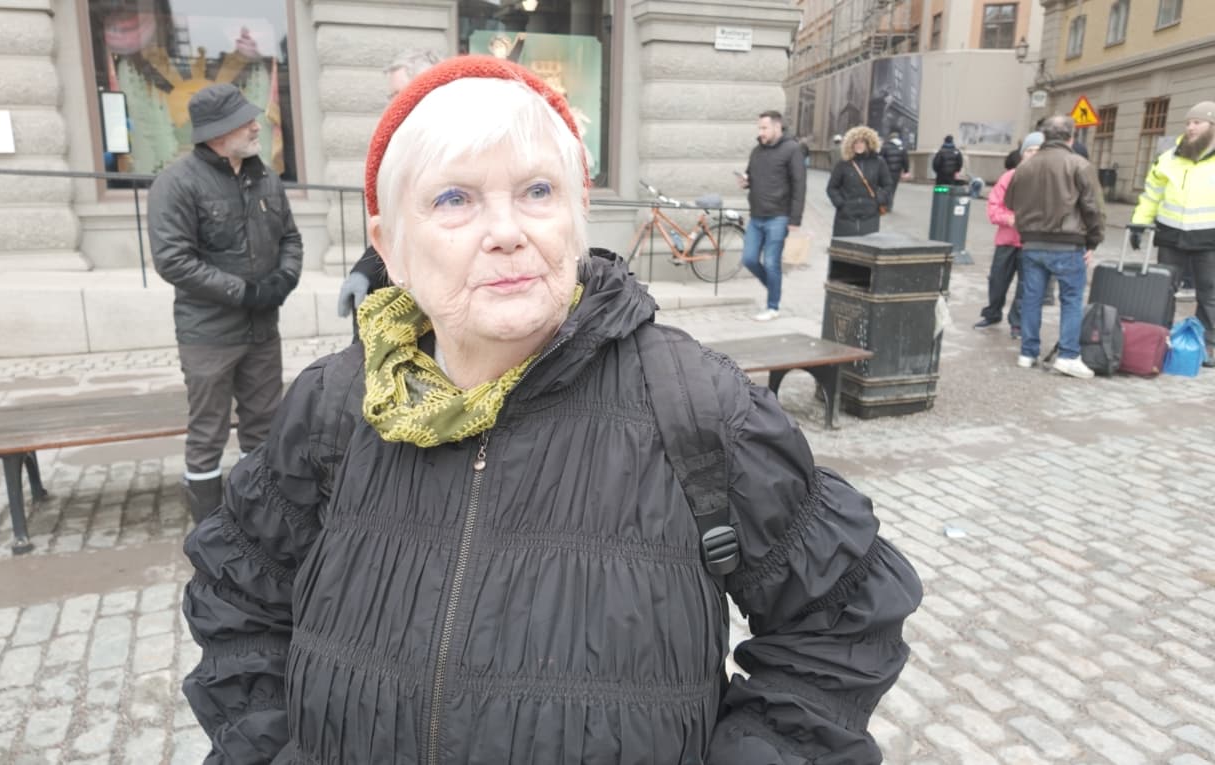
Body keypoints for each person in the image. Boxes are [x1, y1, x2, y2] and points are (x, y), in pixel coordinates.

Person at [181, 56, 921, 764]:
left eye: (537, 191)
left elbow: (841, 618)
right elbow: (240, 597)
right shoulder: (336, 406)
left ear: (578, 214)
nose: (507, 230)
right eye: (453, 198)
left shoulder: (698, 405)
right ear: (389, 248)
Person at [148, 83, 302, 521]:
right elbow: (173, 260)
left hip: (261, 331)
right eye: (245, 120)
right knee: (207, 434)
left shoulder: (264, 176)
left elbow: (290, 237)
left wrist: (284, 279)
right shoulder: (176, 184)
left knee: (265, 426)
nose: (257, 125)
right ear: (217, 132)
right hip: (209, 335)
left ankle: (260, 520)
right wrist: (246, 292)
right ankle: (210, 531)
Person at [338, 50, 445, 338]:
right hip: (404, 300)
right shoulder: (399, 148)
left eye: (398, 93)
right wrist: (364, 272)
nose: (392, 104)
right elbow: (394, 226)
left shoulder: (459, 147)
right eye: (391, 95)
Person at [1005, 115, 1105, 378]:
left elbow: (1010, 201)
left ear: (1045, 137)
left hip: (1031, 243)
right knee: (1071, 299)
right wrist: (1093, 240)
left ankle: (1028, 353)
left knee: (1031, 299)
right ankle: (1068, 356)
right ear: (1072, 137)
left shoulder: (1024, 167)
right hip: (1067, 243)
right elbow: (1093, 208)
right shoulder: (1079, 164)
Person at [1130, 100, 1215, 366]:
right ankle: (1160, 340)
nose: (1190, 127)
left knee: (1209, 293)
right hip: (1171, 234)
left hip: (1208, 236)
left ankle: (1208, 345)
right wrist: (1139, 223)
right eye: (1188, 122)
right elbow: (1151, 194)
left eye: (1197, 122)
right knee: (1163, 289)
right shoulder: (1169, 157)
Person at [736, 110, 806, 321]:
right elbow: (751, 176)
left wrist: (795, 220)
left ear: (777, 127)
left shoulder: (792, 149)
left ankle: (772, 306)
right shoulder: (757, 151)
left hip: (779, 216)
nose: (761, 132)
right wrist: (745, 182)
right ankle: (775, 287)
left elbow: (799, 185)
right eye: (759, 128)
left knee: (771, 262)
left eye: (764, 127)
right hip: (756, 215)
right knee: (748, 259)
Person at [975, 132, 1045, 338]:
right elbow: (994, 206)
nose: (1033, 154)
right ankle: (992, 312)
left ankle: (1017, 322)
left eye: (1038, 151)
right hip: (1007, 239)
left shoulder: (1047, 180)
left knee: (1026, 286)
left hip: (1031, 242)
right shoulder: (1009, 177)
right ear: (1023, 154)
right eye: (1030, 150)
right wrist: (1009, 219)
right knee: (997, 280)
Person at [827, 125, 892, 238]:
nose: (859, 145)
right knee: (845, 251)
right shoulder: (843, 164)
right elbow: (832, 187)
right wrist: (840, 203)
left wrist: (879, 199)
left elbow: (888, 184)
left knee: (868, 249)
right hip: (846, 215)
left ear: (869, 143)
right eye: (855, 142)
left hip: (870, 215)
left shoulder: (878, 162)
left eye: (862, 142)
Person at [879, 129, 910, 210]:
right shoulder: (902, 147)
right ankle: (890, 205)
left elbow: (880, 158)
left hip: (886, 172)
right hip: (896, 172)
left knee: (885, 188)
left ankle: (885, 204)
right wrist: (906, 170)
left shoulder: (885, 146)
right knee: (893, 188)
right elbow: (905, 160)